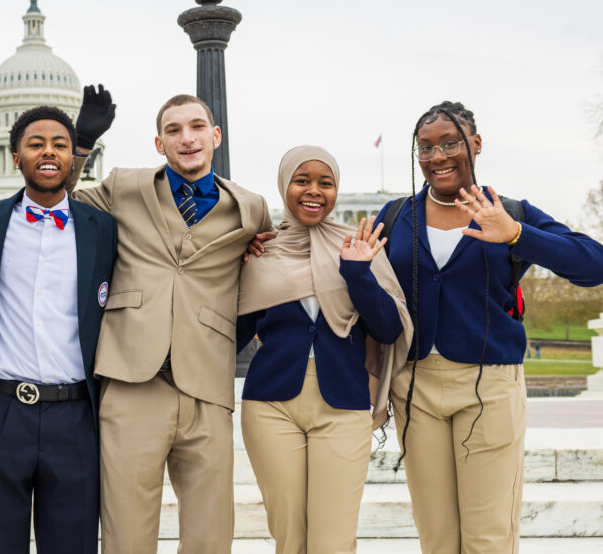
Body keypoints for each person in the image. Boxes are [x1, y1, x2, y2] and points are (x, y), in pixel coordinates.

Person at [375, 101, 603, 553]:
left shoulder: (510, 210)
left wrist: (517, 233)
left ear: (475, 145)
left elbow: (592, 263)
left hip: (489, 387)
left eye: (449, 143)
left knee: (488, 537)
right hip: (414, 387)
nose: (437, 156)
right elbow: (348, 267)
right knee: (437, 537)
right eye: (425, 148)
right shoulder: (397, 214)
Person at [68, 88, 273, 553]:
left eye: (197, 127)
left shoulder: (251, 208)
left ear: (215, 136)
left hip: (207, 382)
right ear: (159, 143)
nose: (187, 138)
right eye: (173, 130)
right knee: (126, 531)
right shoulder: (124, 186)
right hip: (130, 380)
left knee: (211, 533)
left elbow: (275, 261)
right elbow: (59, 202)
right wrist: (82, 144)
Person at [0, 107, 117, 554]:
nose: (48, 152)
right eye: (35, 144)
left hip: (76, 414)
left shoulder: (103, 229)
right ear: (15, 156)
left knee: (73, 544)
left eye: (60, 145)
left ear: (73, 158)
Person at [236, 145, 413, 554]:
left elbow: (388, 329)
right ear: (285, 186)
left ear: (336, 191)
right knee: (290, 537)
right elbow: (236, 335)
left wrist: (358, 272)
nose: (313, 191)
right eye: (302, 181)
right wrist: (236, 264)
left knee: (333, 541)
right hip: (271, 406)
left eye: (325, 183)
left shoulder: (361, 248)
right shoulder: (263, 251)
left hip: (343, 405)